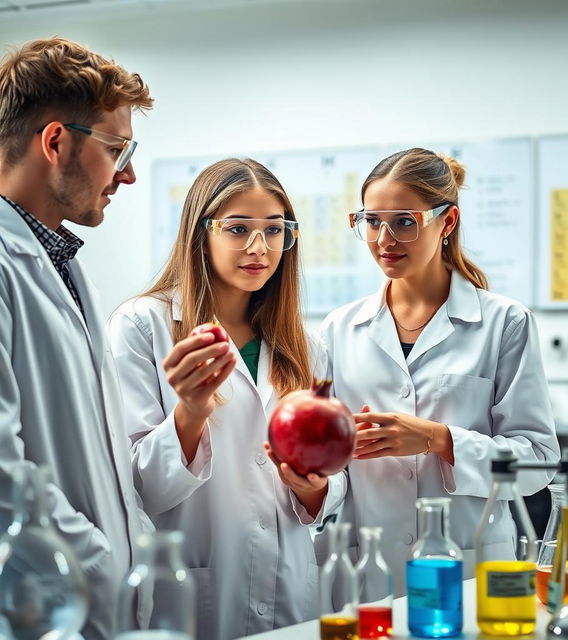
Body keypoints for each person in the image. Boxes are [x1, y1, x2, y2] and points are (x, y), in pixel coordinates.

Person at [107, 158, 345, 640]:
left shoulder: (305, 344)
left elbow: (335, 485)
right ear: (201, 233)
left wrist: (314, 487)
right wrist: (191, 412)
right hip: (196, 590)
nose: (260, 247)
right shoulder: (143, 326)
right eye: (238, 228)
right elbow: (133, 486)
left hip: (290, 592)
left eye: (275, 230)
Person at [319, 147, 561, 593]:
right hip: (370, 566)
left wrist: (438, 439)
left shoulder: (504, 323)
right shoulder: (339, 328)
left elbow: (538, 462)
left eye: (404, 222)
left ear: (446, 222)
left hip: (469, 566)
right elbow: (329, 466)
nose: (384, 240)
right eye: (372, 221)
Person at [0, 37, 153, 638]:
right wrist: (94, 560)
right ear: (56, 141)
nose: (130, 173)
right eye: (117, 148)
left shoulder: (54, 258)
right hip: (46, 603)